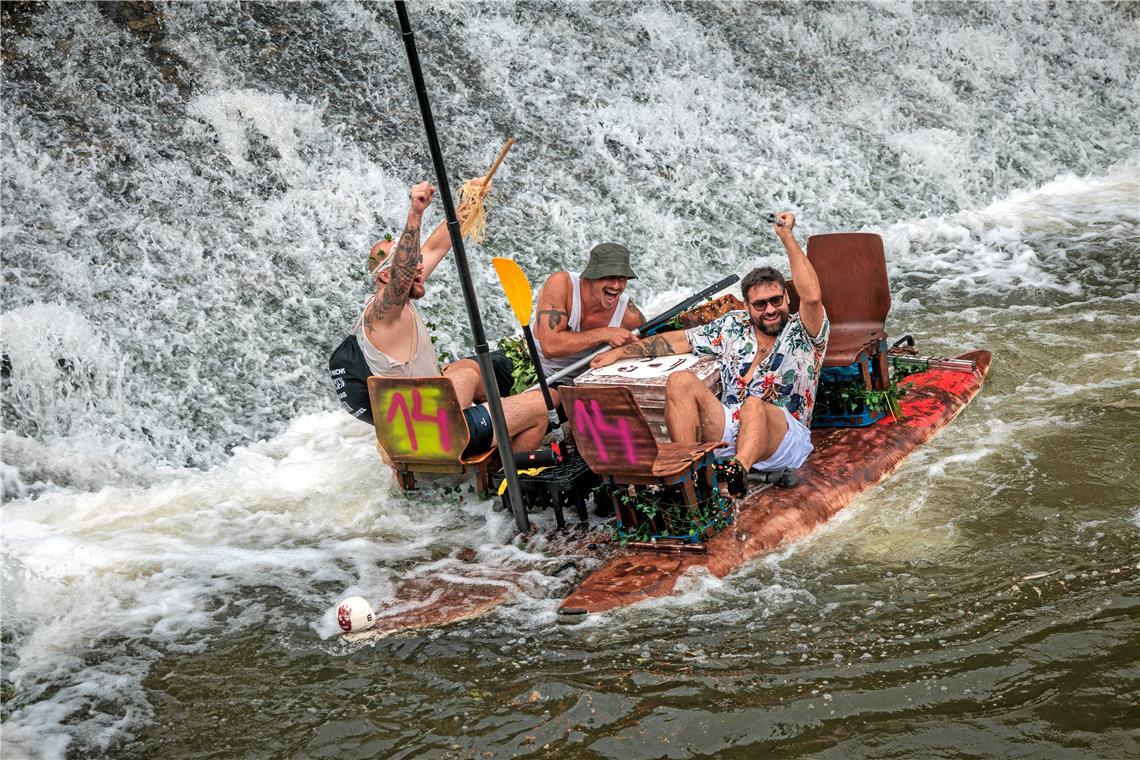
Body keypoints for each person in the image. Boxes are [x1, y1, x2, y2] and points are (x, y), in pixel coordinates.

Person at [589, 212, 828, 495]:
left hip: (784, 439)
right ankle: (691, 476)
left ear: (787, 298)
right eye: (760, 304)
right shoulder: (732, 326)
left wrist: (787, 236)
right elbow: (679, 341)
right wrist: (622, 353)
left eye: (776, 300)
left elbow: (812, 296)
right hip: (730, 428)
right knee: (680, 381)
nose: (770, 310)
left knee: (753, 405)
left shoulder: (806, 333)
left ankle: (738, 469)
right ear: (748, 307)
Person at [328, 180, 553, 454]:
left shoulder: (397, 303)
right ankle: (512, 484)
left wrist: (470, 203)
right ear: (387, 275)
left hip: (414, 426)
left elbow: (435, 247)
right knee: (543, 403)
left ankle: (491, 426)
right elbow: (404, 271)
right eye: (409, 262)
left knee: (467, 373)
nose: (419, 265)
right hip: (435, 435)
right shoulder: (381, 317)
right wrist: (416, 213)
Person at [530, 243, 646, 384]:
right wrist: (605, 334)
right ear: (591, 276)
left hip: (563, 385)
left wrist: (618, 353)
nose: (616, 286)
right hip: (528, 360)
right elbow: (550, 347)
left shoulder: (630, 316)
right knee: (495, 363)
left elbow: (649, 344)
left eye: (622, 278)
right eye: (609, 277)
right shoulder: (561, 284)